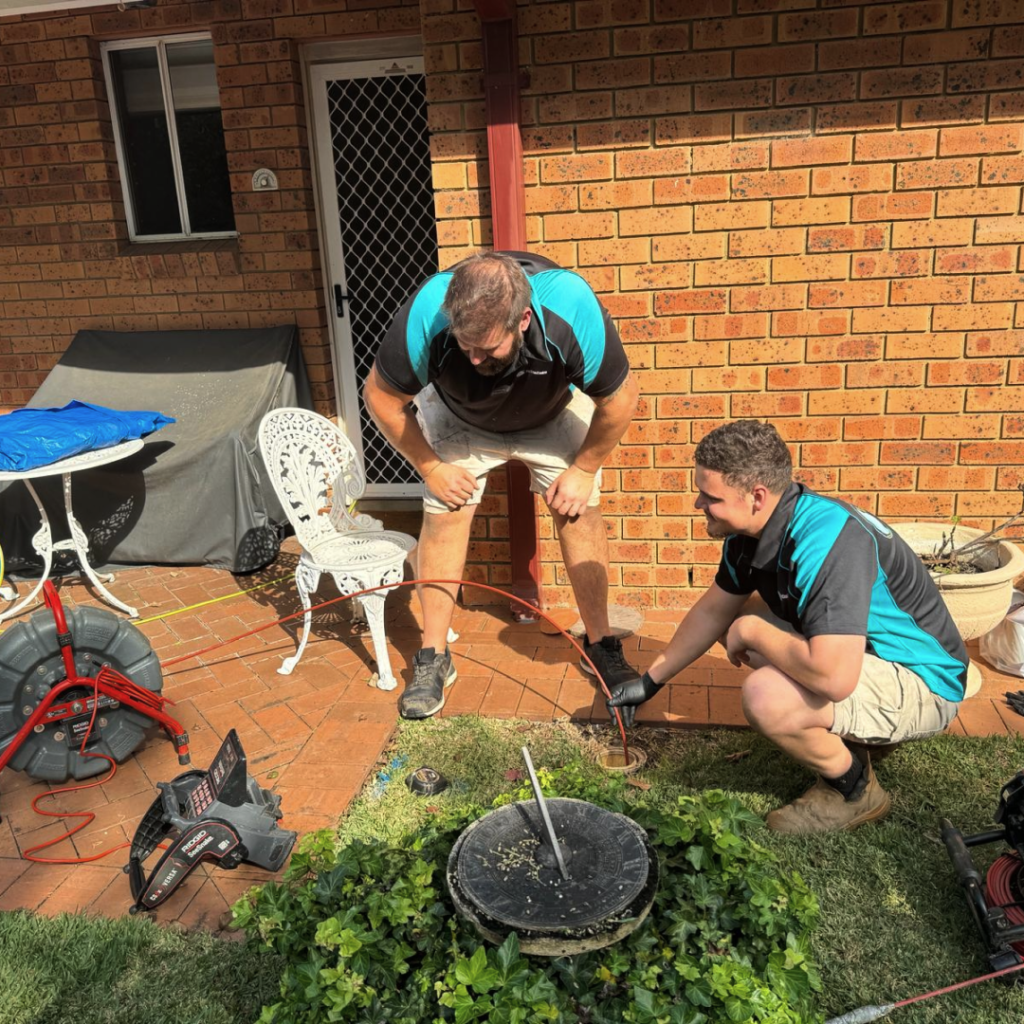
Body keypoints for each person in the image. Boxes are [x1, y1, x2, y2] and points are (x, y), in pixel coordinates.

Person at [608, 420, 966, 833]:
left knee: (766, 695)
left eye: (710, 496)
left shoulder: (828, 541)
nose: (698, 504)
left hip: (926, 682)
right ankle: (854, 734)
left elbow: (834, 679)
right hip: (868, 655)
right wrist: (650, 682)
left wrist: (754, 633)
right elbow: (712, 611)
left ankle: (853, 789)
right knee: (738, 617)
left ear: (757, 496)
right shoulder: (755, 532)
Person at [363, 251, 641, 720]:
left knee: (579, 509)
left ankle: (601, 646)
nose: (472, 357)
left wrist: (584, 470)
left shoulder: (569, 307)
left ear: (524, 320)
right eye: (464, 345)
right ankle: (434, 658)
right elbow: (380, 397)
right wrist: (432, 468)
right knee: (446, 509)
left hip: (549, 411)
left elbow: (621, 398)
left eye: (486, 348)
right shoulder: (428, 312)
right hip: (461, 417)